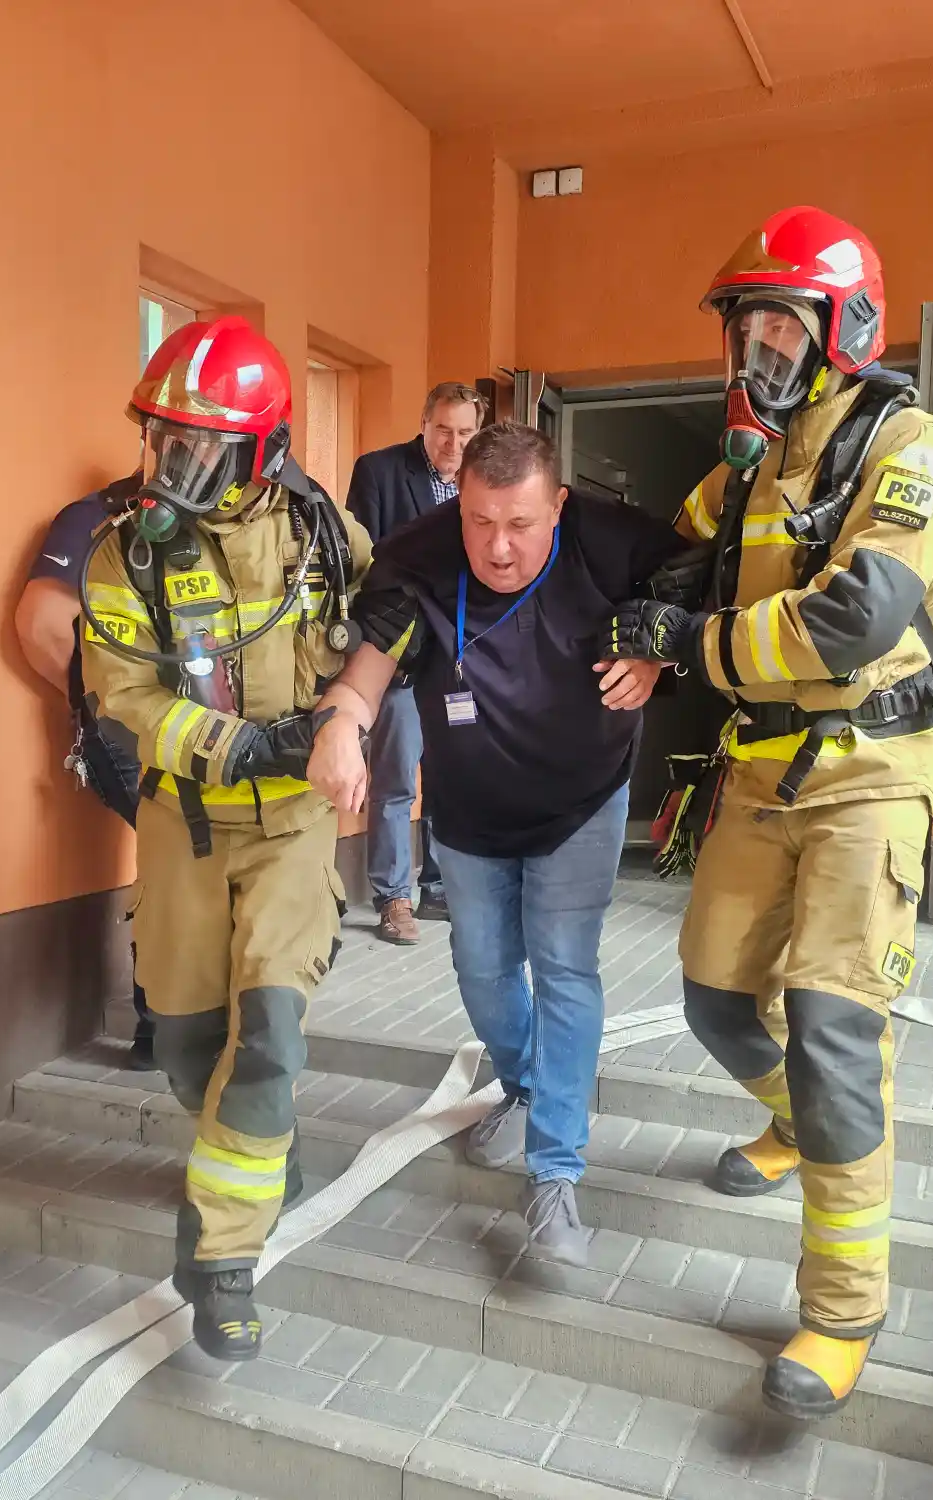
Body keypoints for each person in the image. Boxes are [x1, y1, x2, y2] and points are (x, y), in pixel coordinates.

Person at [600, 206, 933, 1420]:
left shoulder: (915, 450)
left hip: (869, 773)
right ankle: (792, 1126)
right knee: (715, 999)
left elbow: (849, 623)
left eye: (780, 325)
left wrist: (689, 643)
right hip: (760, 768)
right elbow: (668, 552)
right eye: (746, 327)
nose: (757, 348)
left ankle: (842, 1311)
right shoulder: (754, 465)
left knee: (831, 1036)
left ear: (844, 329)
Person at [308, 422, 678, 1265]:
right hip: (470, 813)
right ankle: (527, 1085)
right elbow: (364, 674)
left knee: (564, 968)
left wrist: (657, 655)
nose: (498, 547)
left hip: (582, 803)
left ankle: (555, 1173)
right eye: (479, 521)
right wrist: (339, 729)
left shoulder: (612, 542)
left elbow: (698, 587)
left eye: (519, 523)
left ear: (559, 505)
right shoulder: (420, 555)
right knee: (481, 970)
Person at [79, 314, 373, 1361]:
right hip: (186, 826)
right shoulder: (123, 558)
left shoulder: (325, 540)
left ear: (264, 452)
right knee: (188, 1042)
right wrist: (243, 746)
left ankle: (222, 1259)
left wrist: (348, 717)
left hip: (293, 831)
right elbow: (124, 698)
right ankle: (258, 1155)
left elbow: (389, 628)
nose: (172, 469)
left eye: (199, 450)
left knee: (269, 1040)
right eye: (163, 442)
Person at [15, 489, 156, 1068]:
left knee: (192, 859)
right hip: (128, 734)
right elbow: (41, 626)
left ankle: (174, 1024)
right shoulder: (96, 517)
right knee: (184, 856)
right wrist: (99, 703)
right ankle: (166, 1026)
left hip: (201, 733)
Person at [342, 383, 488, 943]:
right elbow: (365, 565)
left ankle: (441, 887)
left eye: (466, 432)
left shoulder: (483, 481)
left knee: (455, 776)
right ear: (424, 422)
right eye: (443, 430)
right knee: (397, 779)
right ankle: (392, 897)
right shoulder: (379, 472)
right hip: (401, 657)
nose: (454, 444)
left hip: (460, 660)